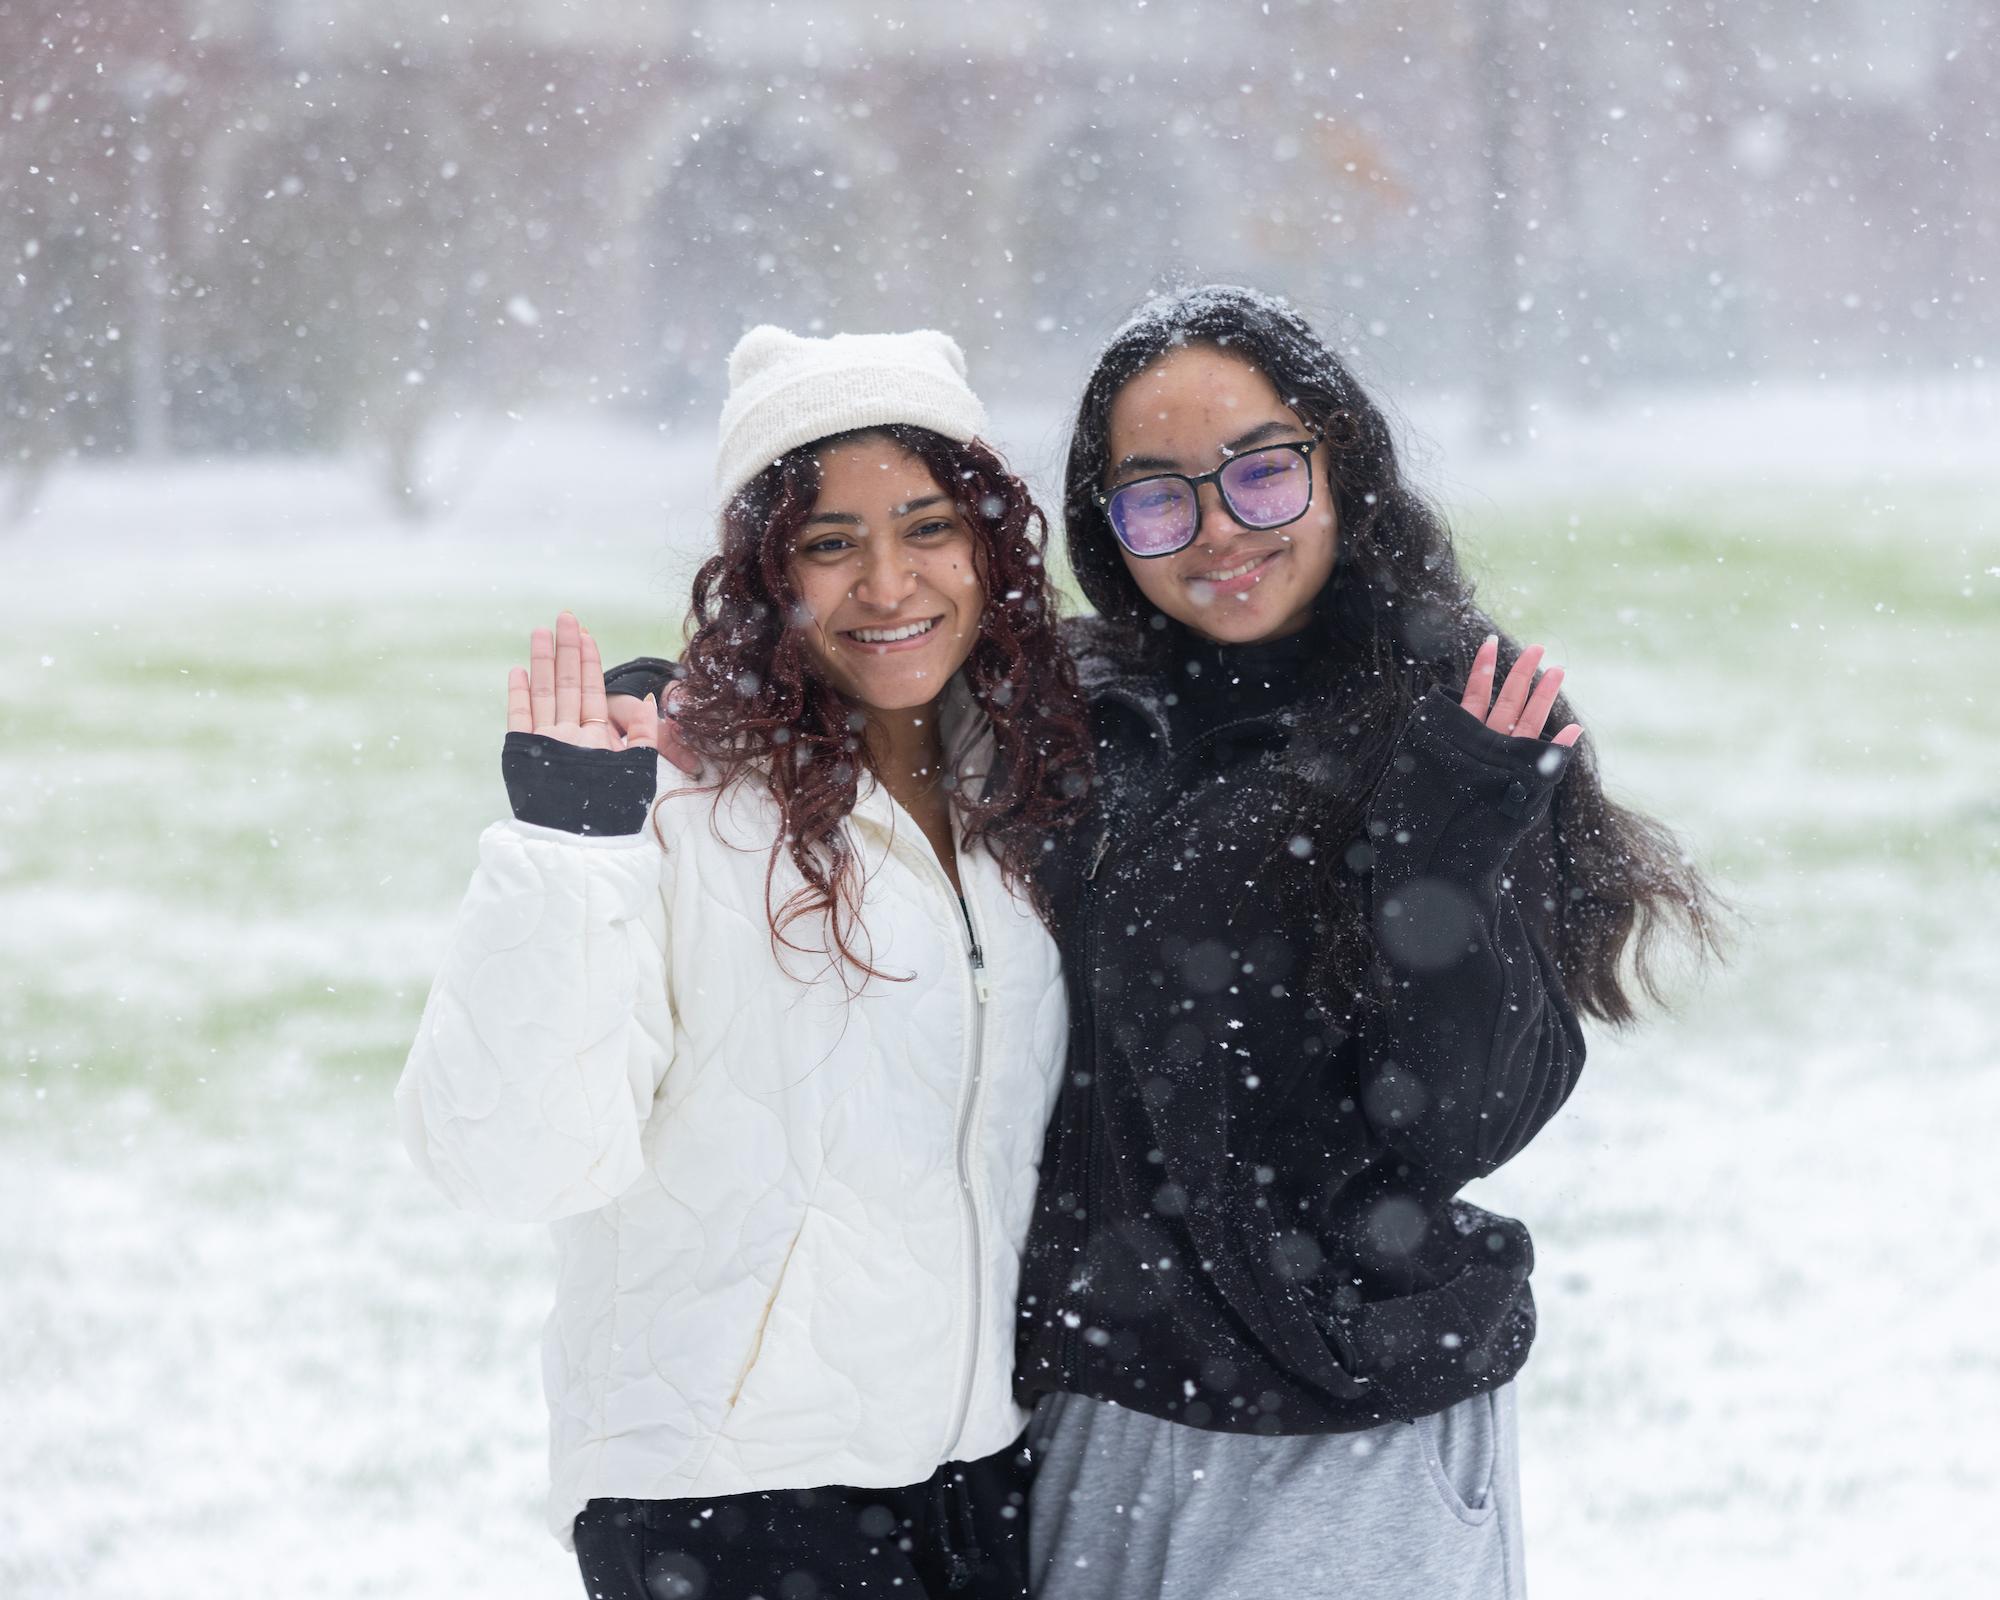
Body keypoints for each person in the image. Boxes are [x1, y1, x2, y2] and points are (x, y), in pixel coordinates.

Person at [613, 286, 1715, 1598]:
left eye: (1259, 473)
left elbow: (1460, 1122)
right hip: (1096, 1411)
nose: (1216, 532)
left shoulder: (1447, 727)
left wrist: (1441, 866)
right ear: (1106, 522)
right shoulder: (1065, 712)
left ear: (1339, 462)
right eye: (1157, 497)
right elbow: (870, 680)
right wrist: (697, 712)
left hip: (1344, 1427)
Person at [396, 325, 1093, 1600]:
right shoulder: (673, 800)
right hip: (726, 1503)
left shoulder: (1021, 797)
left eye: (928, 526)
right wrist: (569, 848)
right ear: (763, 575)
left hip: (970, 1480)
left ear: (989, 543)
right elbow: (507, 1160)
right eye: (830, 544)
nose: (888, 583)